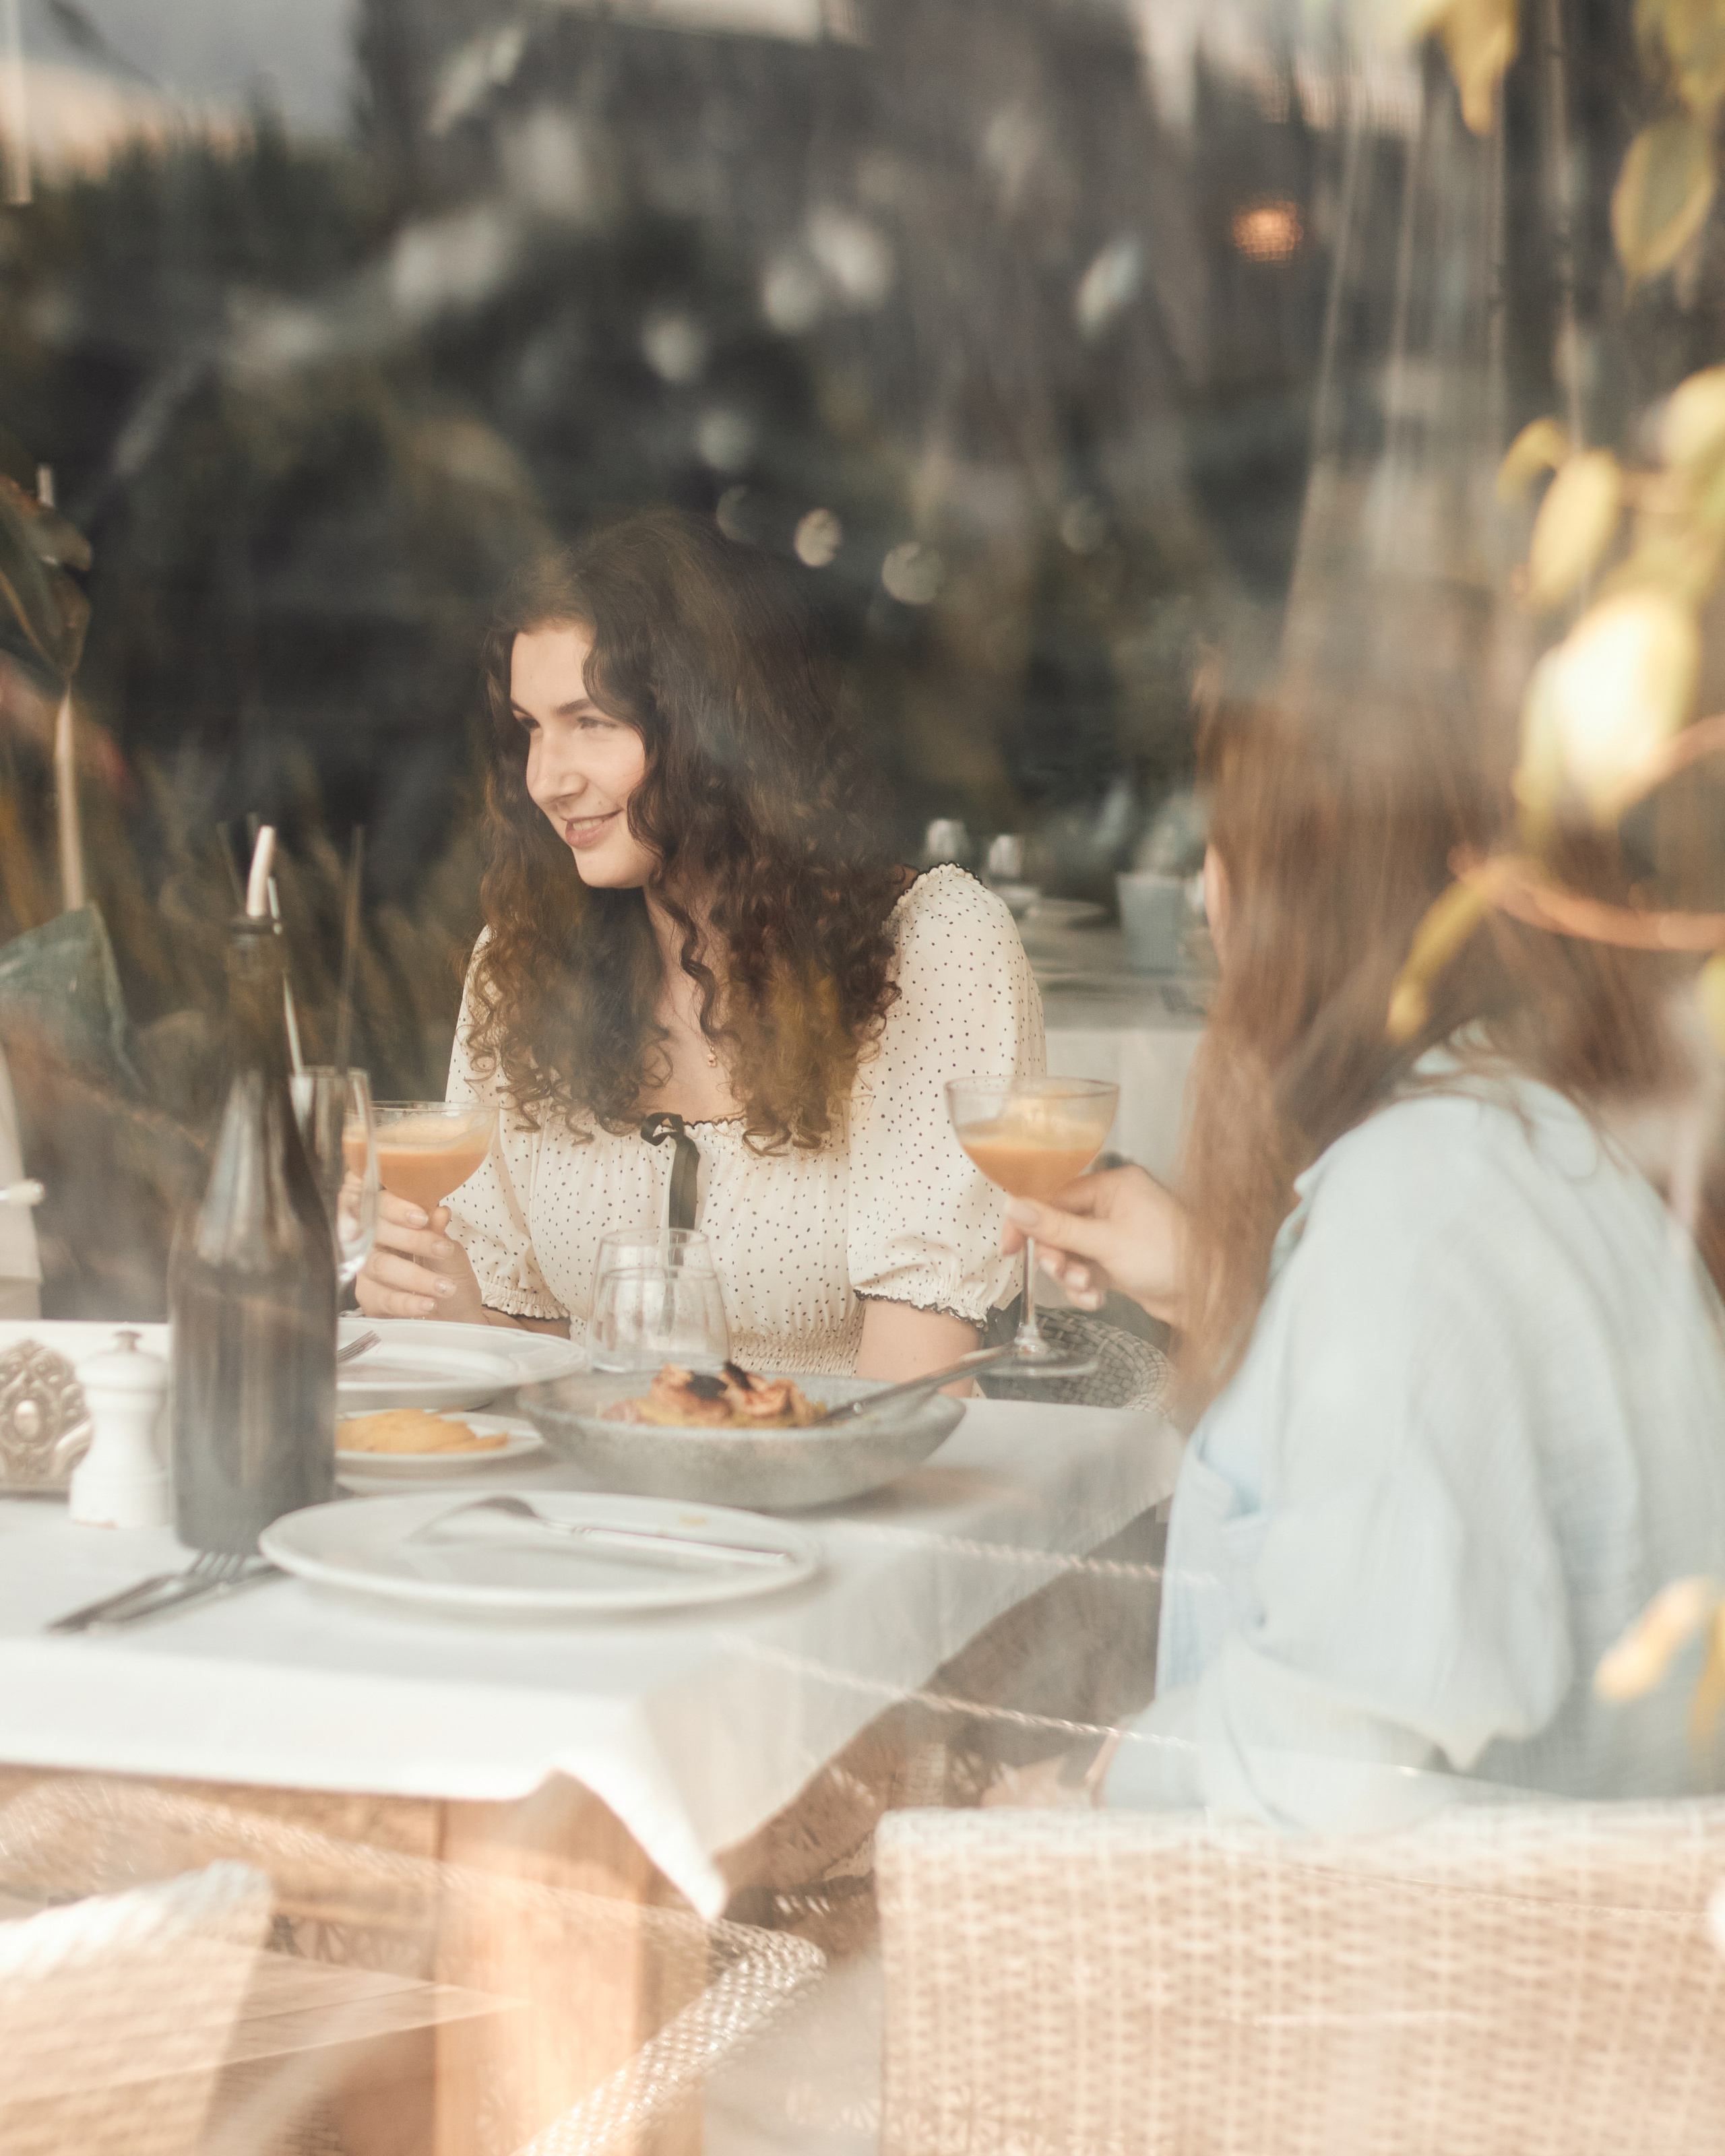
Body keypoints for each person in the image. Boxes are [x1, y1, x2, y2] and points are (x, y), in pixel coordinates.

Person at [1005, 687, 1725, 1826]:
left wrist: (1103, 1780)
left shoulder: (1421, 1209)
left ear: (1312, 899)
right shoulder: (1538, 1141)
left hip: (1455, 1975)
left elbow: (1335, 1748)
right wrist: (1221, 1291)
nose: (1204, 895)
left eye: (1223, 849)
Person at [357, 508, 1042, 1381]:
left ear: (719, 729)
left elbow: (910, 1392)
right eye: (531, 727)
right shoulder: (521, 960)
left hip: (843, 1492)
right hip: (605, 1504)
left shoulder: (933, 946)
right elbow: (547, 1371)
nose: (546, 779)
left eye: (591, 722)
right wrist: (455, 1307)